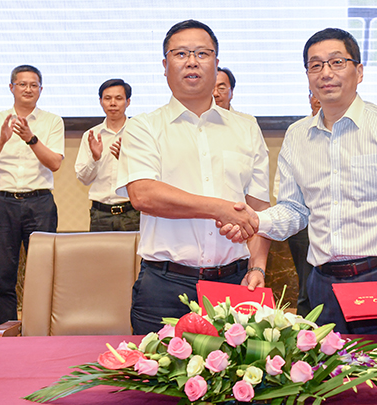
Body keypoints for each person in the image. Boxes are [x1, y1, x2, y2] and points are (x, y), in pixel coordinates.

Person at [225, 28, 377, 334]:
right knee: (326, 367)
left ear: (359, 71)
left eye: (337, 62)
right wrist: (256, 220)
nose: (326, 73)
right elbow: (295, 210)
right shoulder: (297, 136)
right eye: (315, 65)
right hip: (322, 284)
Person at [115, 20, 271, 335]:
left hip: (234, 283)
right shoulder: (143, 127)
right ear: (165, 65)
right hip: (165, 286)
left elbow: (258, 211)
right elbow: (143, 195)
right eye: (181, 54)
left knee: (238, 367)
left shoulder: (246, 128)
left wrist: (257, 266)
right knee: (156, 367)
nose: (192, 61)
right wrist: (220, 208)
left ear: (216, 63)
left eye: (202, 53)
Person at [0, 65, 64, 326]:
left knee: (43, 272)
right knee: (4, 275)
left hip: (40, 203)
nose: (28, 89)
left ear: (41, 89)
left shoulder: (52, 121)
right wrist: (1, 140)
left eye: (33, 85)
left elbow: (55, 163)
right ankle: (6, 330)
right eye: (22, 84)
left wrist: (31, 138)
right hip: (4, 204)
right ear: (11, 87)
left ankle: (40, 328)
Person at [272, 91, 320, 317]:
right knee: (305, 284)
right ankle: (307, 330)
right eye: (314, 94)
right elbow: (281, 183)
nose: (319, 98)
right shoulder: (297, 131)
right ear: (309, 97)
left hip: (330, 222)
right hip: (301, 222)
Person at [75, 79, 140, 231]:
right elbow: (84, 179)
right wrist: (95, 158)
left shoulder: (138, 133)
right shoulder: (91, 135)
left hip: (132, 212)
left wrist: (126, 160)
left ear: (128, 102)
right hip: (100, 214)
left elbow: (149, 174)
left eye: (118, 98)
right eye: (107, 98)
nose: (112, 103)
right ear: (100, 101)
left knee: (134, 249)